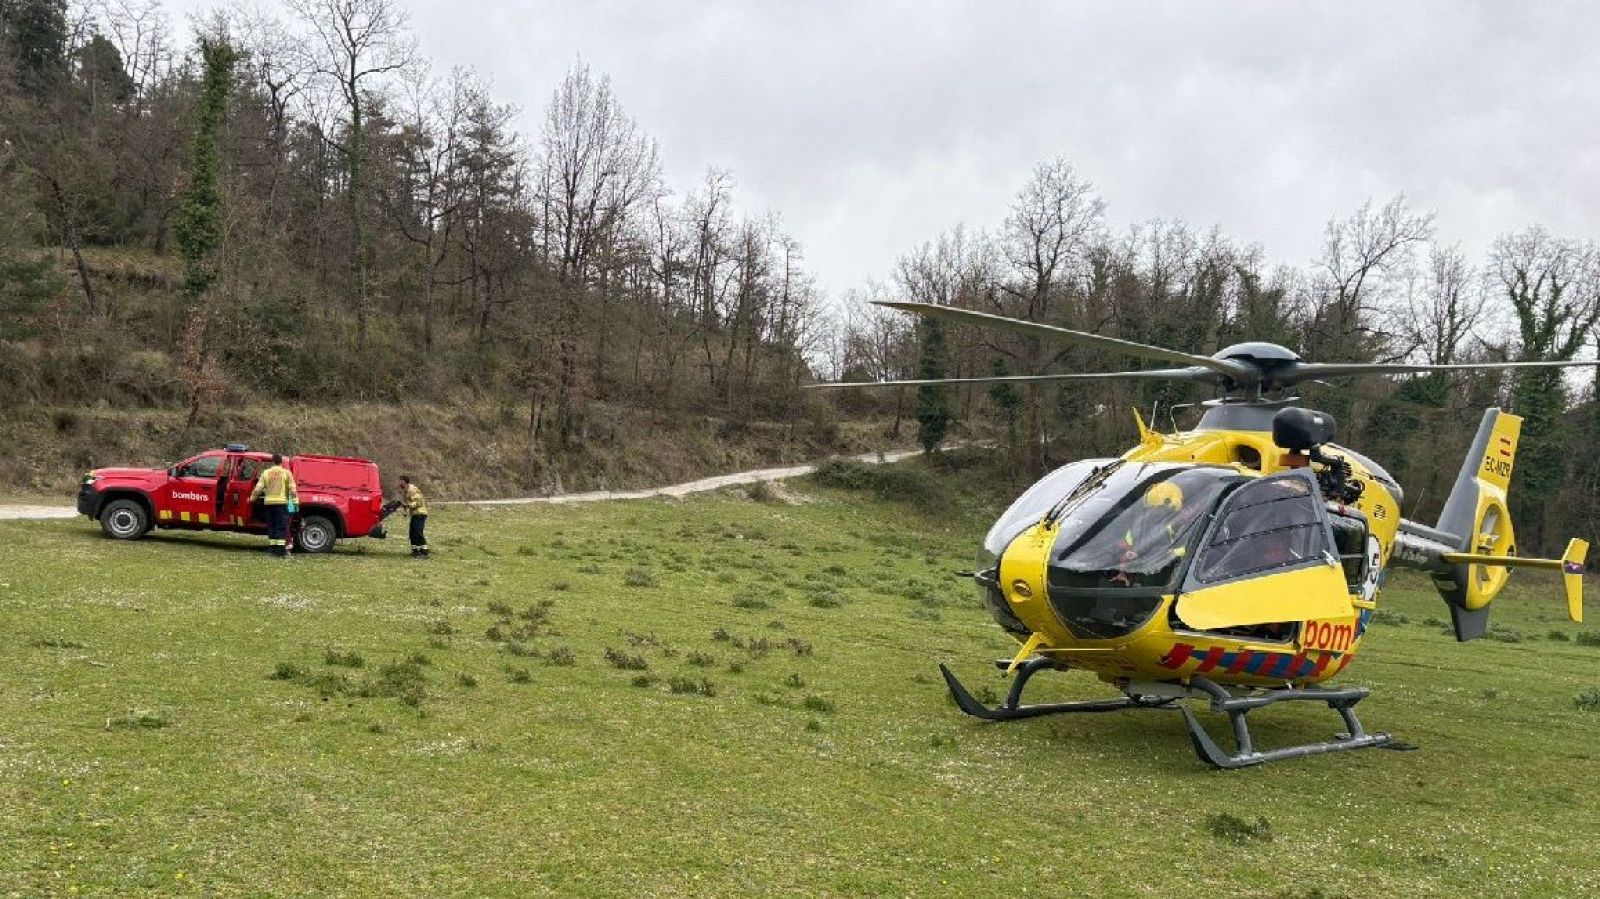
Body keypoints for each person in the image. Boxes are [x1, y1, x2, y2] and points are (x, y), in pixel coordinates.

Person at [249, 454, 298, 558]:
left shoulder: (266, 473)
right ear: (281, 462)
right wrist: (294, 503)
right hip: (281, 504)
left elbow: (258, 488)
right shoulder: (286, 473)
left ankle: (272, 548)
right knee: (281, 526)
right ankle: (280, 550)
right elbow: (292, 490)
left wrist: (252, 499)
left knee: (272, 526)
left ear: (272, 462)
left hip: (269, 504)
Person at [399, 475, 429, 559]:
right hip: (414, 514)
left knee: (418, 532)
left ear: (405, 482)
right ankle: (415, 551)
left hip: (420, 513)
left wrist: (408, 506)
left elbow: (417, 503)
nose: (399, 483)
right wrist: (405, 511)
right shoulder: (405, 491)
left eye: (400, 481)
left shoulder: (413, 489)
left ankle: (424, 552)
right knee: (412, 533)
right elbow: (405, 503)